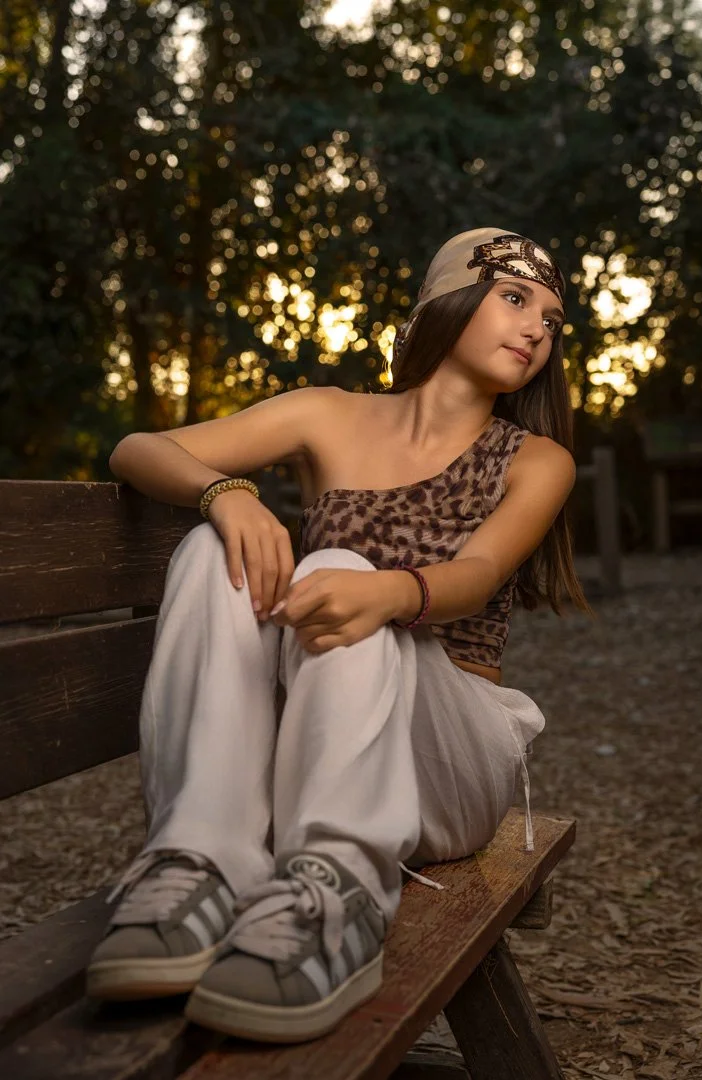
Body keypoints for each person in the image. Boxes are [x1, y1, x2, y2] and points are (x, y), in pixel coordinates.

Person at [85, 226, 592, 1043]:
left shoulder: (538, 459)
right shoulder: (327, 413)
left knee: (340, 566)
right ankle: (200, 857)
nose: (538, 327)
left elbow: (477, 576)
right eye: (514, 296)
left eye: (553, 320)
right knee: (217, 547)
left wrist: (385, 591)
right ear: (446, 299)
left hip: (450, 755)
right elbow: (138, 449)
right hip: (318, 735)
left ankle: (340, 887)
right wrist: (228, 495)